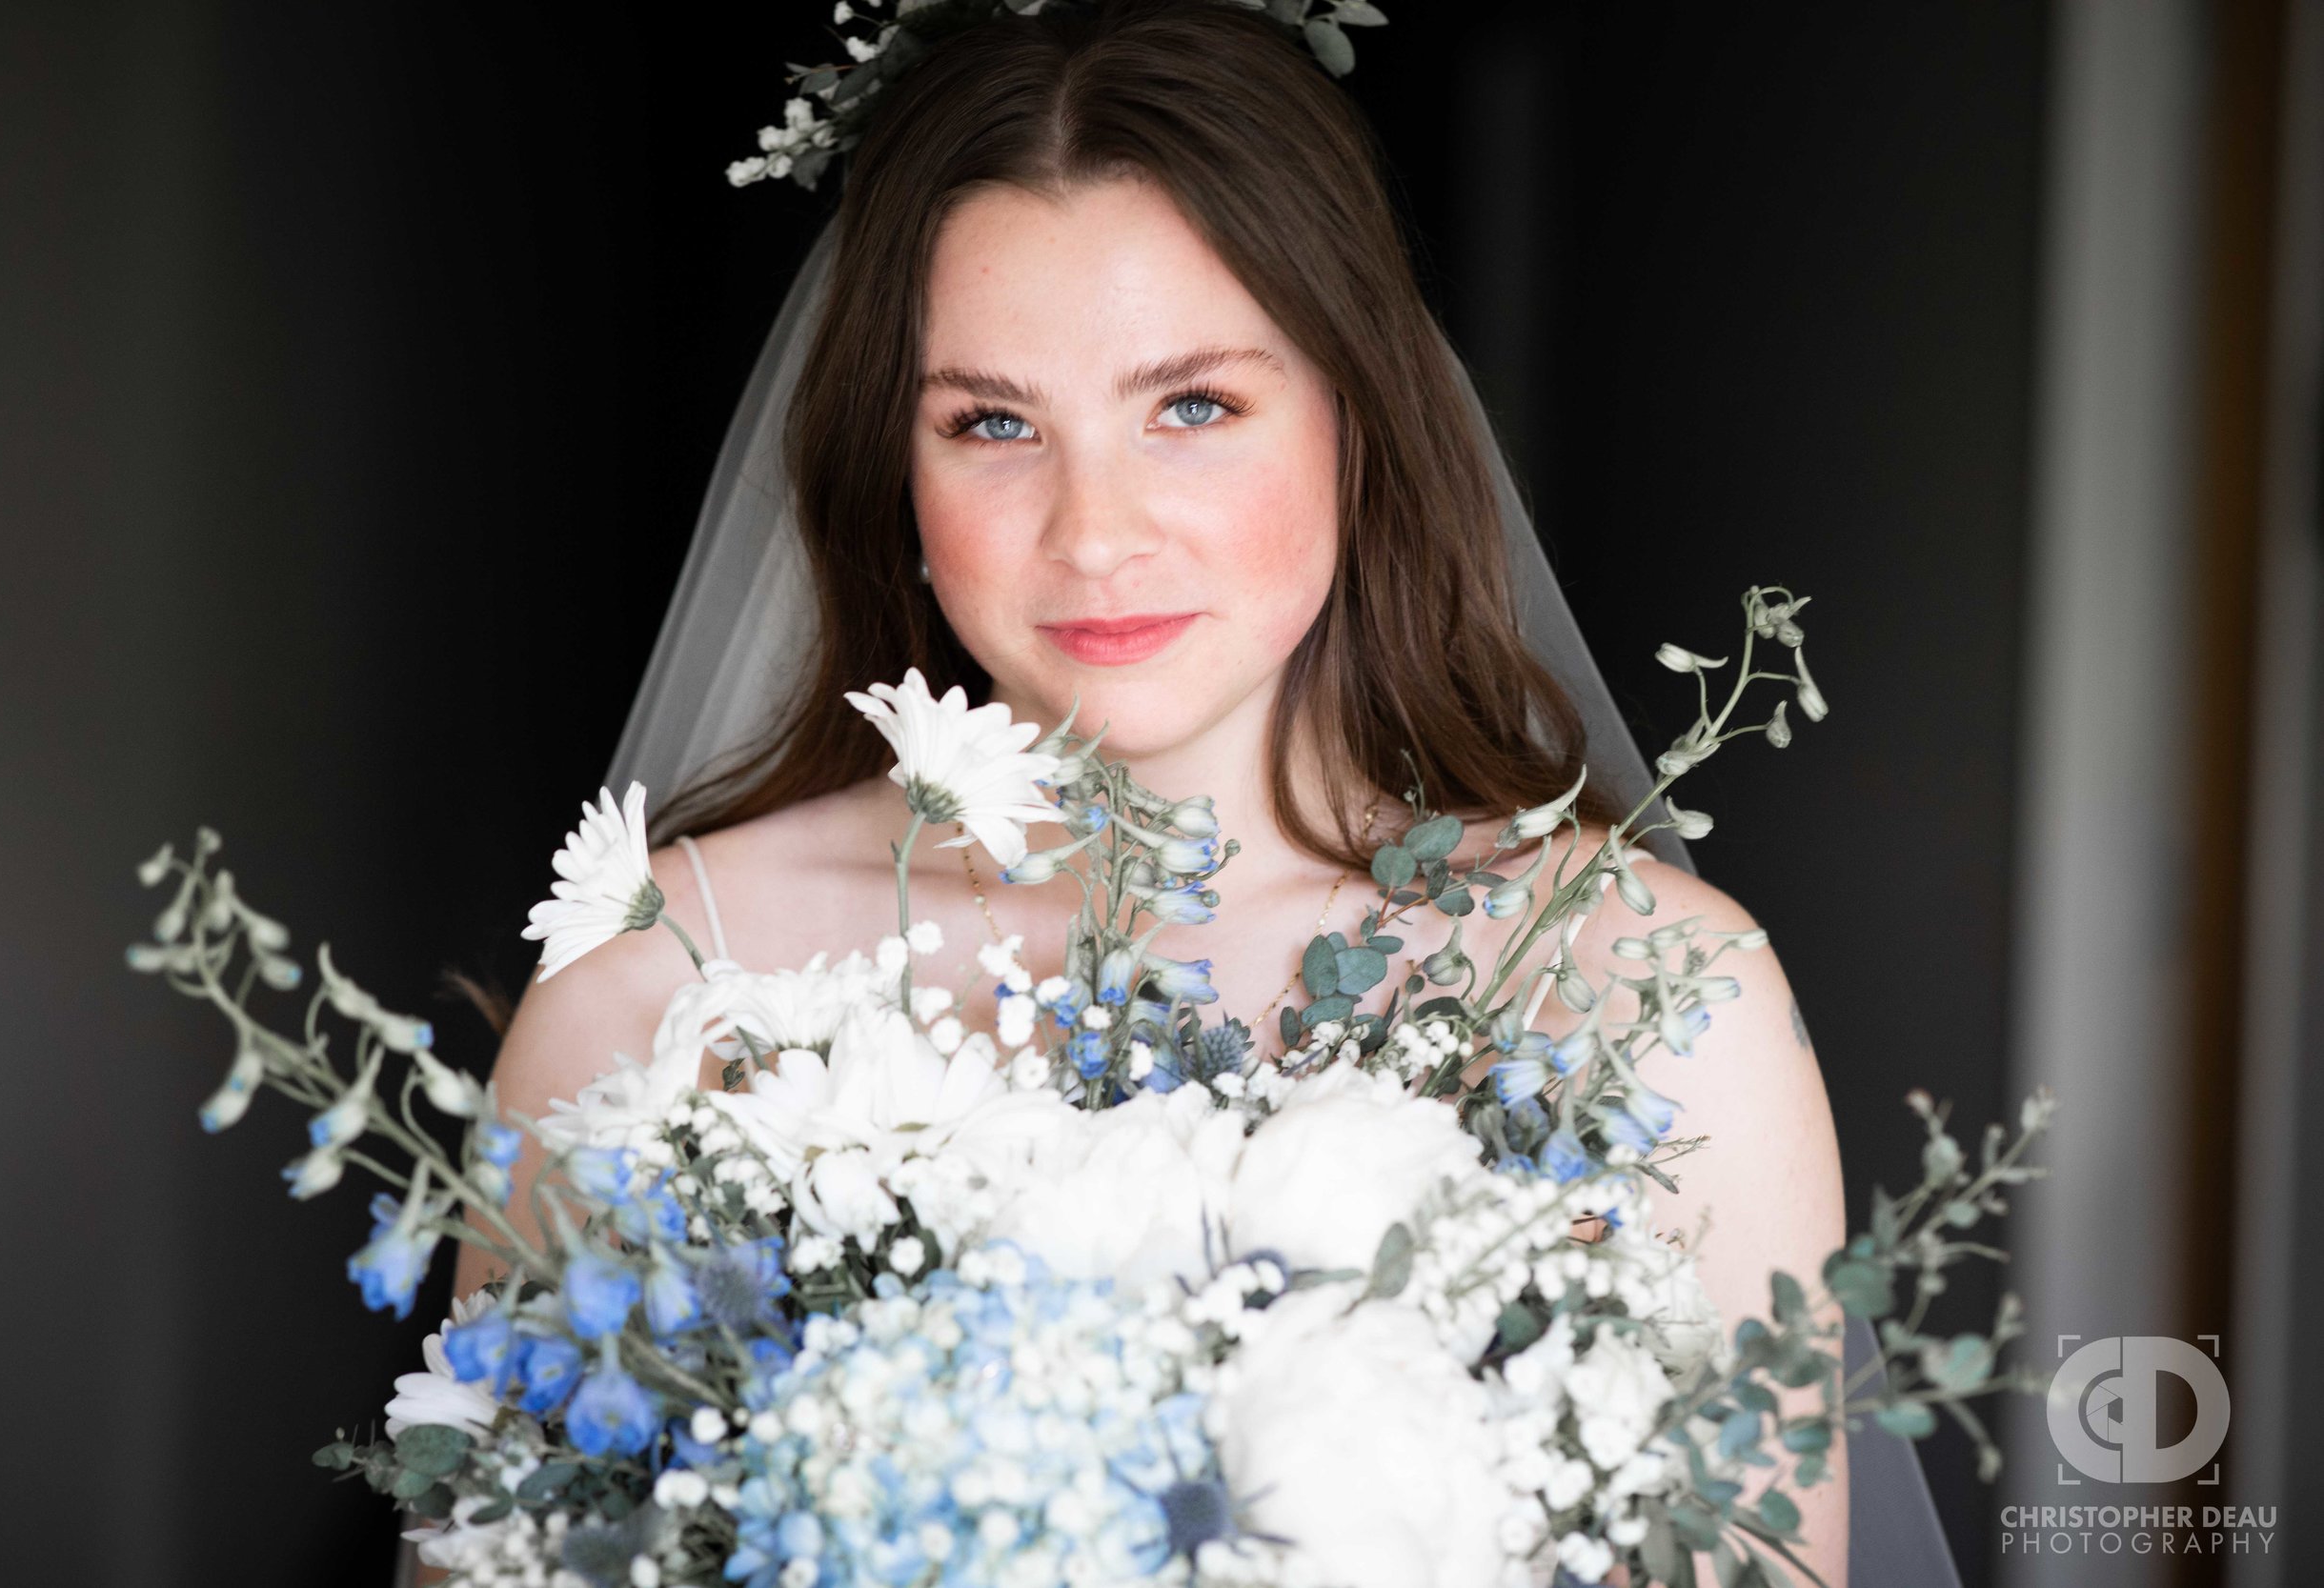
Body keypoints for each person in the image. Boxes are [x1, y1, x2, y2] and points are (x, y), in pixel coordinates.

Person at [455, 4, 1849, 1583]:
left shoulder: (1648, 993)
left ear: (1359, 423)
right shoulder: (663, 993)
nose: (1095, 530)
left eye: (1192, 406)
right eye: (992, 424)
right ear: (893, 478)